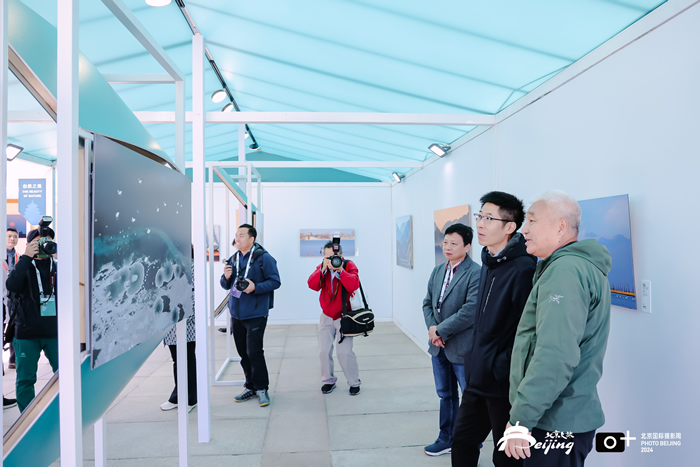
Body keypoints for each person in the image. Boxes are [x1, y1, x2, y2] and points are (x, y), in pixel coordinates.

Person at [503, 191, 612, 467]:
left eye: (532, 221)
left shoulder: (565, 271)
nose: (524, 230)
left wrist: (521, 420)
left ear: (561, 227)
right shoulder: (573, 266)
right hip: (560, 416)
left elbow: (555, 356)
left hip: (555, 420)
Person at [451, 192, 536, 467]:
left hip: (502, 383)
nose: (480, 223)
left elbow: (528, 331)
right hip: (477, 376)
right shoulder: (489, 261)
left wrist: (501, 365)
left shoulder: (523, 269)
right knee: (461, 442)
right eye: (480, 216)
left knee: (506, 456)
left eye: (489, 218)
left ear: (509, 226)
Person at [422, 223, 480, 457]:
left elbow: (470, 310)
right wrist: (432, 330)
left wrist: (440, 331)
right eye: (445, 242)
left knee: (469, 398)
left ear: (467, 246)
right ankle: (446, 438)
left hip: (462, 347)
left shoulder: (476, 272)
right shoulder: (438, 271)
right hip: (439, 348)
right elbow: (427, 303)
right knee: (445, 395)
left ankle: (470, 442)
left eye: (454, 243)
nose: (447, 247)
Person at [220, 224, 280, 407]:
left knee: (254, 352)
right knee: (243, 353)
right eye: (236, 235)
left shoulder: (264, 258)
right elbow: (226, 285)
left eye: (241, 235)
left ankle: (261, 388)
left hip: (256, 313)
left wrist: (255, 287)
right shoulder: (234, 258)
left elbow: (275, 281)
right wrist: (226, 277)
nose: (237, 238)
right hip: (236, 314)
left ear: (251, 239)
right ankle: (250, 386)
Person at [5, 228, 58, 412]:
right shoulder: (24, 265)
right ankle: (27, 419)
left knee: (66, 374)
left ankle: (65, 413)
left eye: (47, 241)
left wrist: (61, 256)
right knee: (25, 379)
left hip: (54, 332)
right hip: (26, 333)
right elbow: (11, 285)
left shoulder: (57, 266)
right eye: (38, 242)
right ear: (28, 245)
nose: (43, 246)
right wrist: (27, 257)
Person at [307, 240, 361, 396]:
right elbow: (312, 285)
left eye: (334, 257)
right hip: (326, 317)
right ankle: (328, 381)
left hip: (344, 317)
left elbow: (353, 285)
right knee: (323, 351)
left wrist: (340, 272)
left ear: (341, 255)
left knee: (344, 353)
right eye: (327, 257)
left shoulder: (349, 265)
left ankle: (354, 382)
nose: (331, 261)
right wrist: (322, 270)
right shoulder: (323, 267)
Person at [160, 249, 197, 413]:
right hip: (170, 325)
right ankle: (178, 396)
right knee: (177, 361)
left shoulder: (193, 269)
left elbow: (195, 297)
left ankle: (191, 399)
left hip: (186, 324)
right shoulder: (168, 268)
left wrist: (185, 313)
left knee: (187, 360)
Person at [2, 228, 19, 409]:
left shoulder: (19, 257)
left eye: (15, 236)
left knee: (13, 331)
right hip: (3, 301)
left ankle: (13, 359)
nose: (12, 239)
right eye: (9, 236)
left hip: (14, 301)